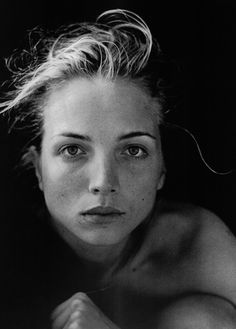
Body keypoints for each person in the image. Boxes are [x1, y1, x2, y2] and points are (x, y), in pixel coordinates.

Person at [1, 8, 236, 329]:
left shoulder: (194, 246)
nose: (103, 182)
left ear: (162, 170)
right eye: (72, 149)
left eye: (133, 150)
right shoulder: (11, 255)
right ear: (38, 169)